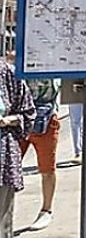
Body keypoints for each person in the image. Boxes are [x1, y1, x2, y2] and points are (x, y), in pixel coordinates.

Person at [19, 77, 61, 231]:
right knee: (6, 168)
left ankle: (46, 210)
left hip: (45, 118)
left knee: (47, 168)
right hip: (17, 119)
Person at [0, 63, 34, 238]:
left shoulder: (7, 73)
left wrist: (7, 121)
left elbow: (28, 114)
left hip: (3, 157)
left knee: (2, 222)